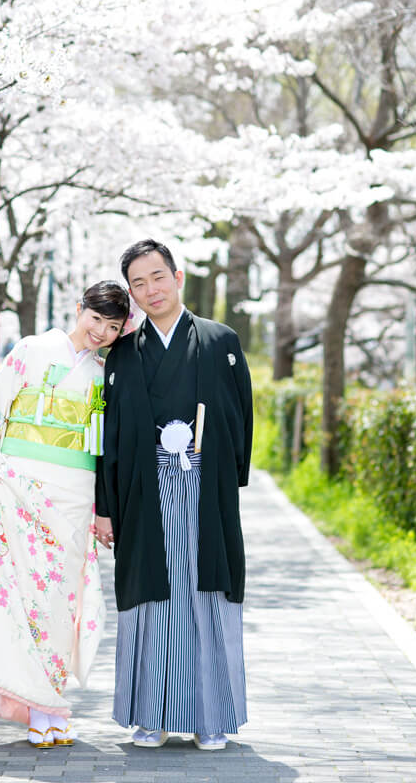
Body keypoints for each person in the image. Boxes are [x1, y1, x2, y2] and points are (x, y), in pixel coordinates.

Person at [0, 281, 130, 748]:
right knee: (21, 599)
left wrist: (104, 509)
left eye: (113, 326)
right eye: (95, 319)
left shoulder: (107, 372)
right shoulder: (32, 349)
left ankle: (47, 701)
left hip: (75, 494)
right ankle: (42, 708)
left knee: (60, 604)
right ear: (77, 308)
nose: (101, 331)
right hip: (21, 489)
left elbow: (107, 448)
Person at [95, 240, 252, 751]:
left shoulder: (219, 341)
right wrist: (107, 506)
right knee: (152, 600)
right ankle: (150, 716)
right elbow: (109, 438)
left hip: (204, 487)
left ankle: (211, 717)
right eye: (137, 284)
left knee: (204, 595)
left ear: (178, 276)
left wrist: (225, 480)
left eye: (157, 277)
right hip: (145, 489)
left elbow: (241, 419)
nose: (150, 290)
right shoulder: (121, 353)